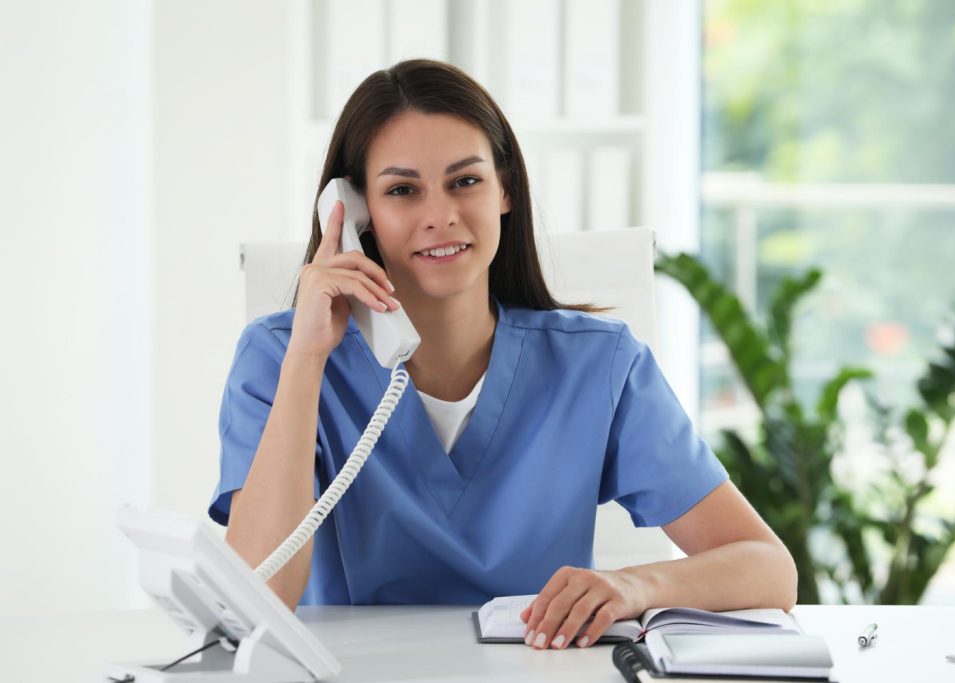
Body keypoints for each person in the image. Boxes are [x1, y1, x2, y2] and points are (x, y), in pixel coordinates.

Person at [210, 58, 797, 651]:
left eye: (465, 182)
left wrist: (634, 586)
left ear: (506, 190)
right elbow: (258, 598)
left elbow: (769, 568)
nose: (440, 216)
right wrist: (308, 358)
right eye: (401, 190)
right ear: (355, 212)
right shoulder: (279, 357)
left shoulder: (600, 365)